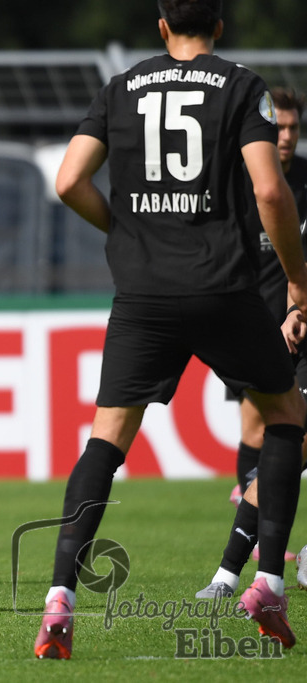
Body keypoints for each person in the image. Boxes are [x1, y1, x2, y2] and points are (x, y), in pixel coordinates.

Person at [34, 1, 307, 658]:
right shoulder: (241, 86)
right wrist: (298, 281)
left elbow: (69, 180)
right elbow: (270, 192)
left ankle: (59, 596)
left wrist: (129, 231)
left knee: (106, 439)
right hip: (223, 286)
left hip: (143, 294)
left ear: (161, 27)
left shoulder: (121, 87)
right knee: (287, 413)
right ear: (219, 25)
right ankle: (268, 580)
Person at [196, 87, 307, 599]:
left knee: (284, 444)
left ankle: (244, 570)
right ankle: (242, 569)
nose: (285, 137)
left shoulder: (303, 180)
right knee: (273, 438)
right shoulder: (246, 183)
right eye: (277, 128)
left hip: (296, 320)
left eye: (292, 128)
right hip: (265, 327)